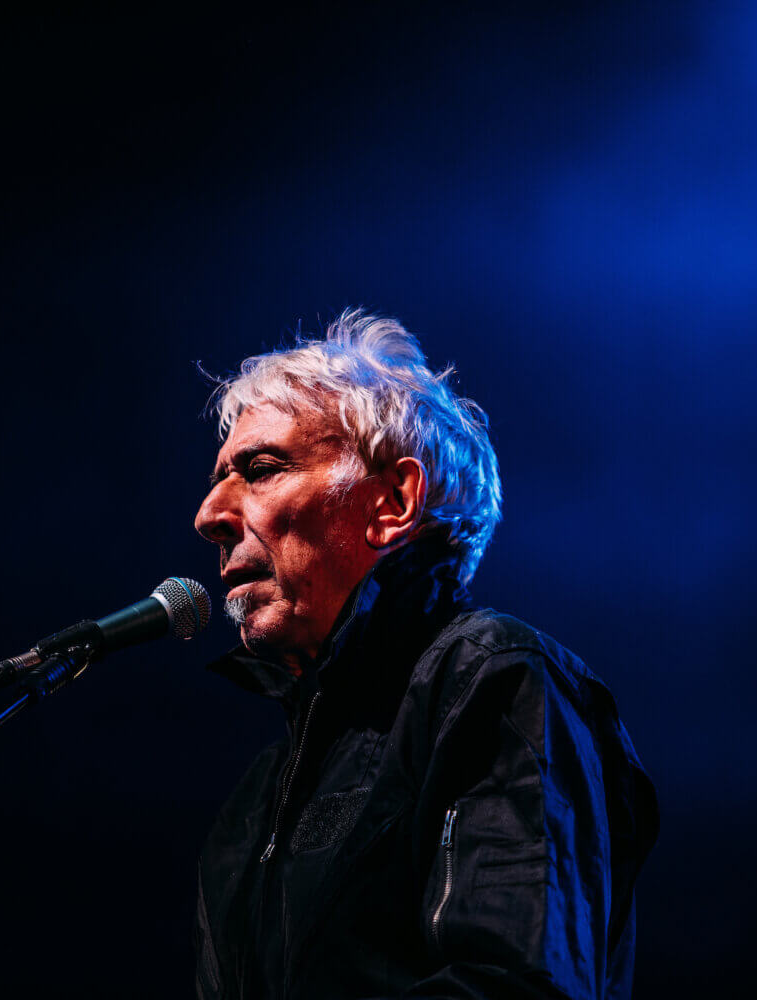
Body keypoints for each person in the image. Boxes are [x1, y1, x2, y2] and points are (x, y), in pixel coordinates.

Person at [192, 310, 658, 999]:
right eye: (217, 479)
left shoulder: (493, 680)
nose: (208, 515)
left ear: (393, 502)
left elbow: (513, 983)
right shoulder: (255, 800)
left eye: (261, 469)